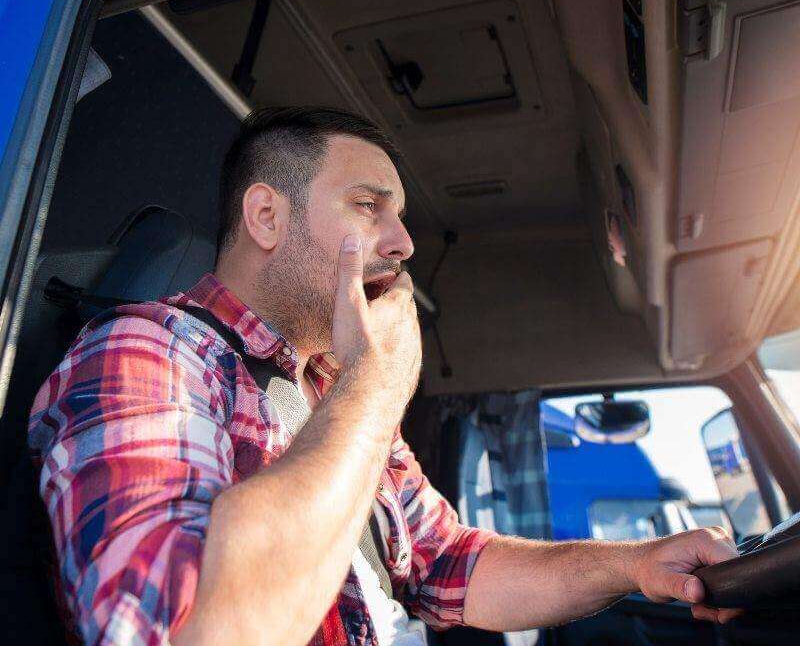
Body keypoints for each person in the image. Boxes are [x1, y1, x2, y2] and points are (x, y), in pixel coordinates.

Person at [28, 106, 740, 646]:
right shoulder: (146, 352)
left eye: (397, 215)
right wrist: (375, 385)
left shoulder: (328, 392)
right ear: (267, 217)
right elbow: (183, 630)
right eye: (369, 207)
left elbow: (448, 561)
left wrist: (639, 563)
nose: (401, 242)